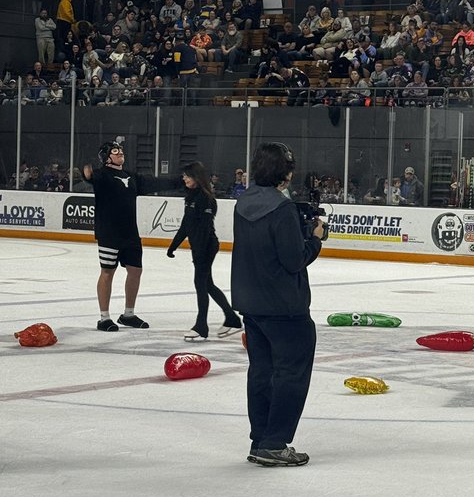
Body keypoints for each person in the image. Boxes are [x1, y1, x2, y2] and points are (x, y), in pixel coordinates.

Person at [230, 141, 325, 467]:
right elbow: (294, 260)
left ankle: (260, 439)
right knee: (291, 373)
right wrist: (315, 239)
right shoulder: (282, 210)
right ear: (284, 172)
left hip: (251, 303)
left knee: (262, 372)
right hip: (284, 306)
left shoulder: (243, 203)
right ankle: (274, 443)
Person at [81, 140, 153, 331]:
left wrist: (181, 181)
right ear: (106, 157)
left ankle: (128, 314)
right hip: (109, 234)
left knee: (136, 271)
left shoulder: (131, 176)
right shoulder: (102, 175)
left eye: (121, 150)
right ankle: (104, 318)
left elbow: (152, 182)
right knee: (107, 271)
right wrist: (87, 175)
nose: (120, 153)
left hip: (130, 233)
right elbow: (92, 178)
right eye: (115, 151)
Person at [166, 162, 243, 342]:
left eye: (187, 176)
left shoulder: (205, 198)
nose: (184, 179)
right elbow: (186, 225)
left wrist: (199, 251)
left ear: (196, 177)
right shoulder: (191, 197)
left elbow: (205, 228)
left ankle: (201, 326)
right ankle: (231, 318)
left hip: (206, 246)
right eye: (184, 176)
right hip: (199, 247)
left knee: (200, 284)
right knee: (207, 284)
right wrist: (173, 246)